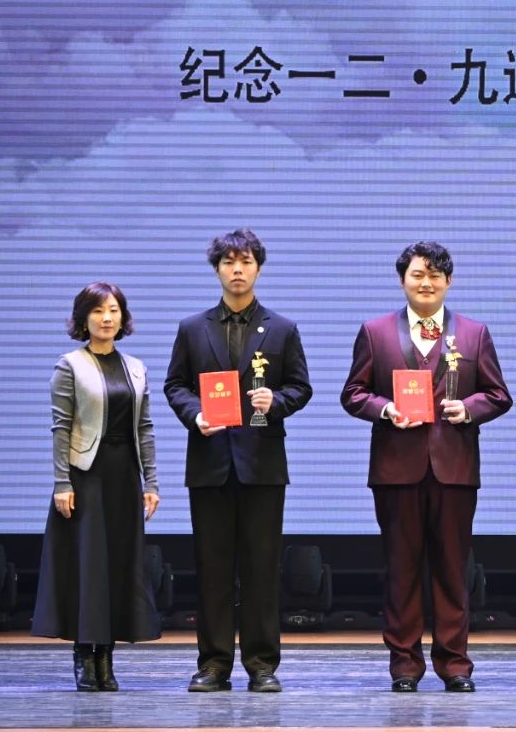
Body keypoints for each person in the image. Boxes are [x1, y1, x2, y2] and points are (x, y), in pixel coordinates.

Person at [341, 241, 512, 694]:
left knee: (453, 571)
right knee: (401, 570)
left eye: (435, 275)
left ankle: (455, 664)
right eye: (418, 274)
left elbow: (498, 395)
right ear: (403, 280)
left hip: (454, 469)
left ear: (448, 282)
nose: (426, 282)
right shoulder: (375, 332)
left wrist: (469, 409)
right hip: (396, 470)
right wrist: (386, 410)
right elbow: (353, 393)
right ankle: (405, 664)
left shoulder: (474, 333)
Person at [164, 229, 313, 693]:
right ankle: (213, 664)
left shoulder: (282, 328)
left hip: (262, 464)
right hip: (209, 462)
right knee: (212, 569)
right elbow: (175, 385)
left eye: (245, 261)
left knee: (261, 569)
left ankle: (262, 664)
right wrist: (196, 414)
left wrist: (277, 401)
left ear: (258, 269)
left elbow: (301, 387)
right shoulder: (193, 328)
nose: (237, 269)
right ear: (217, 270)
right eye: (228, 262)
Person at [33, 282, 162, 691]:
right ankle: (84, 654)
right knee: (89, 565)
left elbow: (144, 428)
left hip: (124, 476)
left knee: (118, 565)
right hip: (85, 474)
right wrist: (61, 482)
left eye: (114, 310)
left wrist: (151, 481)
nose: (107, 318)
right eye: (98, 311)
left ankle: (106, 655)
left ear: (123, 317)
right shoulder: (70, 365)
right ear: (83, 318)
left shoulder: (136, 367)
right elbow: (60, 428)